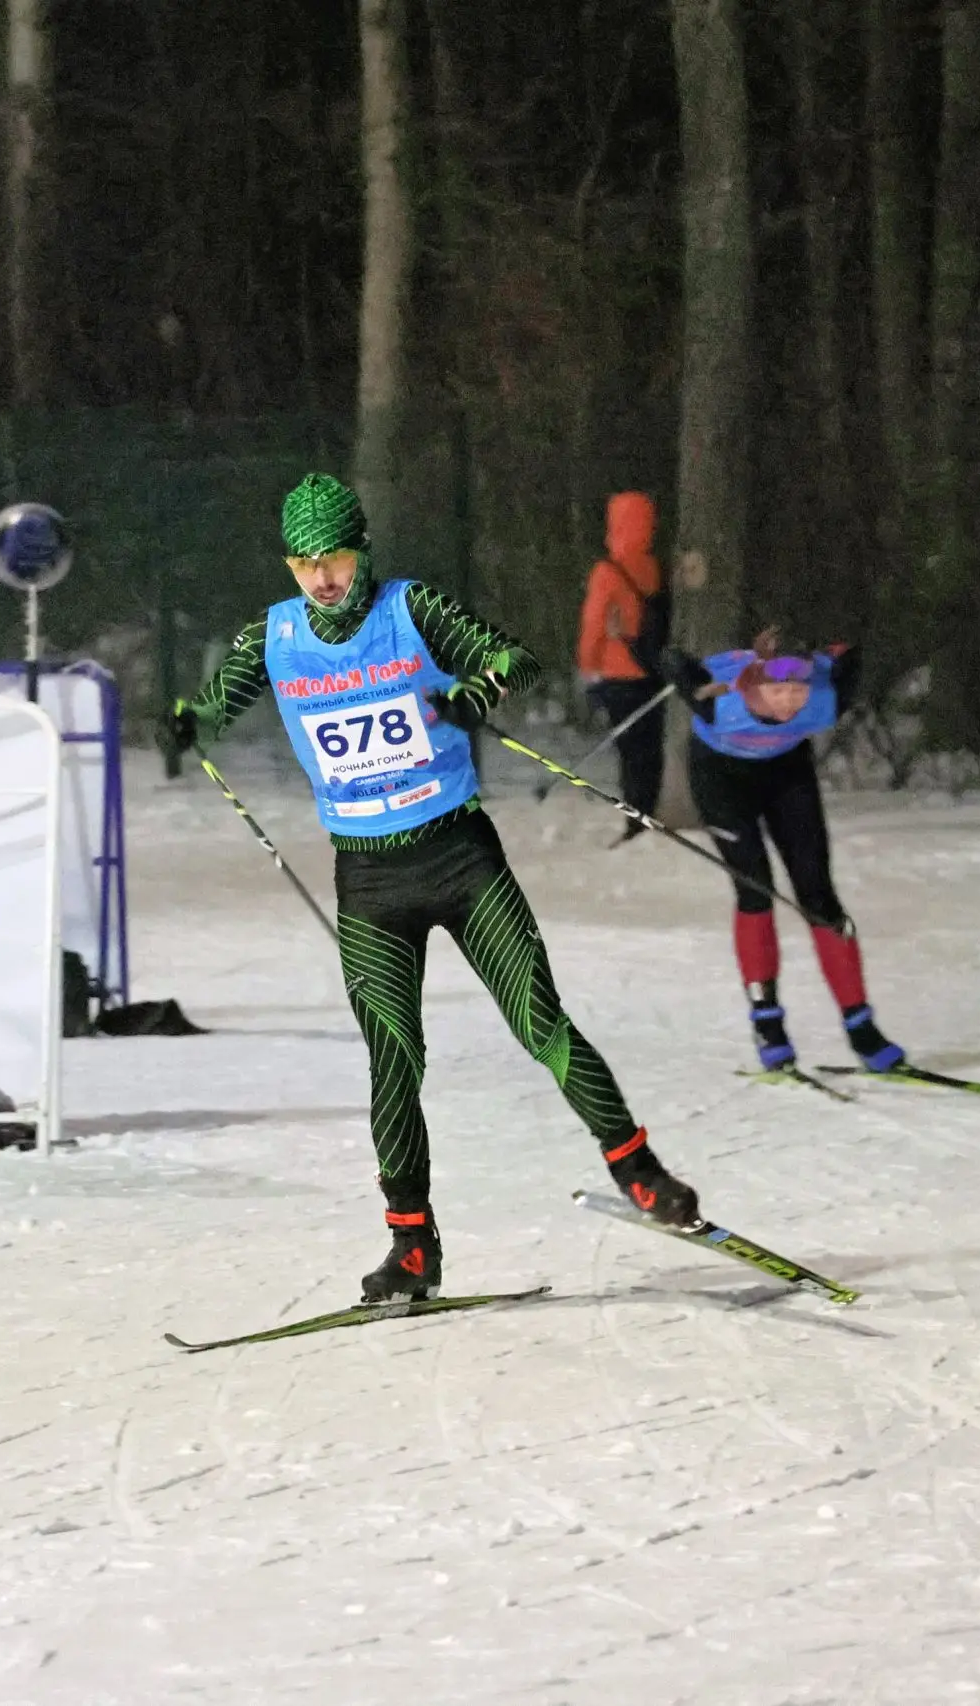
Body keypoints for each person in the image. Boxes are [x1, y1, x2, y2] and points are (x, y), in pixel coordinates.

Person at [157, 473, 703, 1302]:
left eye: (334, 558)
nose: (322, 579)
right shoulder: (273, 636)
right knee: (393, 1062)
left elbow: (512, 655)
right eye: (304, 564)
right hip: (370, 880)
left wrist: (476, 689)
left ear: (361, 551)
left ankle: (641, 1172)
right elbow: (216, 702)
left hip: (459, 859)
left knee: (540, 1022)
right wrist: (189, 719)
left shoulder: (410, 610)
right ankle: (412, 1246)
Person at [665, 627, 907, 1076]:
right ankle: (768, 1023)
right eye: (778, 690)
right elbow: (672, 664)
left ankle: (861, 1027)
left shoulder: (824, 702)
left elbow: (849, 659)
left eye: (798, 689)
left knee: (818, 895)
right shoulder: (719, 703)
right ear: (756, 684)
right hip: (721, 780)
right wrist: (674, 659)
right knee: (755, 889)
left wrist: (839, 651)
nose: (790, 701)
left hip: (786, 774)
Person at [575, 492, 670, 836]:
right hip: (653, 671)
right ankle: (649, 810)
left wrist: (587, 665)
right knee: (650, 749)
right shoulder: (654, 568)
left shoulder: (607, 571)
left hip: (617, 674)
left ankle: (636, 819)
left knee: (630, 754)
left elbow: (594, 624)